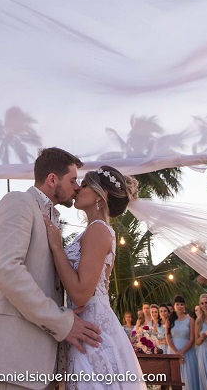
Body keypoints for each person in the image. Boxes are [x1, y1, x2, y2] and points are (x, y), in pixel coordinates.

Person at [0, 147, 101, 390]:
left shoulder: (53, 219)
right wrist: (61, 322)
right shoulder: (19, 202)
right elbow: (6, 270)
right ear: (52, 179)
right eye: (73, 180)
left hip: (41, 366)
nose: (77, 187)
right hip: (11, 362)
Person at [43, 164, 146, 389]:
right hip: (84, 326)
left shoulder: (98, 230)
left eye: (86, 184)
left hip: (93, 330)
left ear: (102, 195)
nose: (78, 188)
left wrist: (57, 247)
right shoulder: (93, 230)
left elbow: (81, 294)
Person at [168, 295, 198, 390]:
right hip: (173, 352)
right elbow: (168, 337)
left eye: (181, 304)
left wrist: (181, 353)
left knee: (188, 378)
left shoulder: (191, 320)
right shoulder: (170, 320)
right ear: (174, 306)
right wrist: (176, 353)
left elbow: (192, 339)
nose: (180, 306)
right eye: (177, 304)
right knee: (175, 378)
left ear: (184, 306)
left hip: (187, 352)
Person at [195, 294, 207, 390]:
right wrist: (202, 336)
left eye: (206, 303)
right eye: (202, 303)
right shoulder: (198, 321)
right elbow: (196, 341)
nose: (204, 305)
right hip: (203, 351)